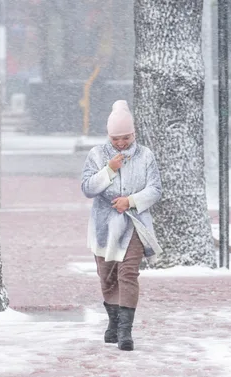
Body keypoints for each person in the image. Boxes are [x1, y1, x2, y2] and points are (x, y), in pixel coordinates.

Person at [81, 100, 162, 351]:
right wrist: (109, 170)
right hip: (104, 227)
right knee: (107, 278)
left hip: (134, 225)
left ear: (133, 134)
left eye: (125, 137)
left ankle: (126, 332)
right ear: (109, 136)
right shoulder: (96, 155)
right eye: (116, 139)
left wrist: (131, 201)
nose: (121, 143)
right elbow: (87, 188)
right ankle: (113, 323)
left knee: (128, 274)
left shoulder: (146, 156)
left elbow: (155, 189)